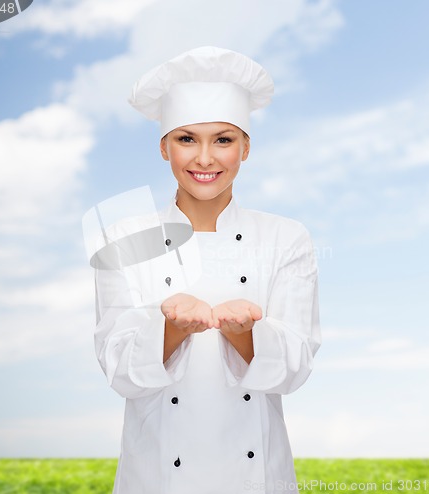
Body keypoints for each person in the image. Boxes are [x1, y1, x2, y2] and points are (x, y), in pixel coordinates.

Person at [93, 46, 321, 494]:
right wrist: (172, 329)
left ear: (246, 147)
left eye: (223, 139)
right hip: (157, 479)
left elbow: (296, 368)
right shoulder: (123, 238)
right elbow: (117, 368)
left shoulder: (286, 238)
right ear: (163, 147)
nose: (204, 159)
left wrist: (243, 334)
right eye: (186, 139)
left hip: (255, 480)